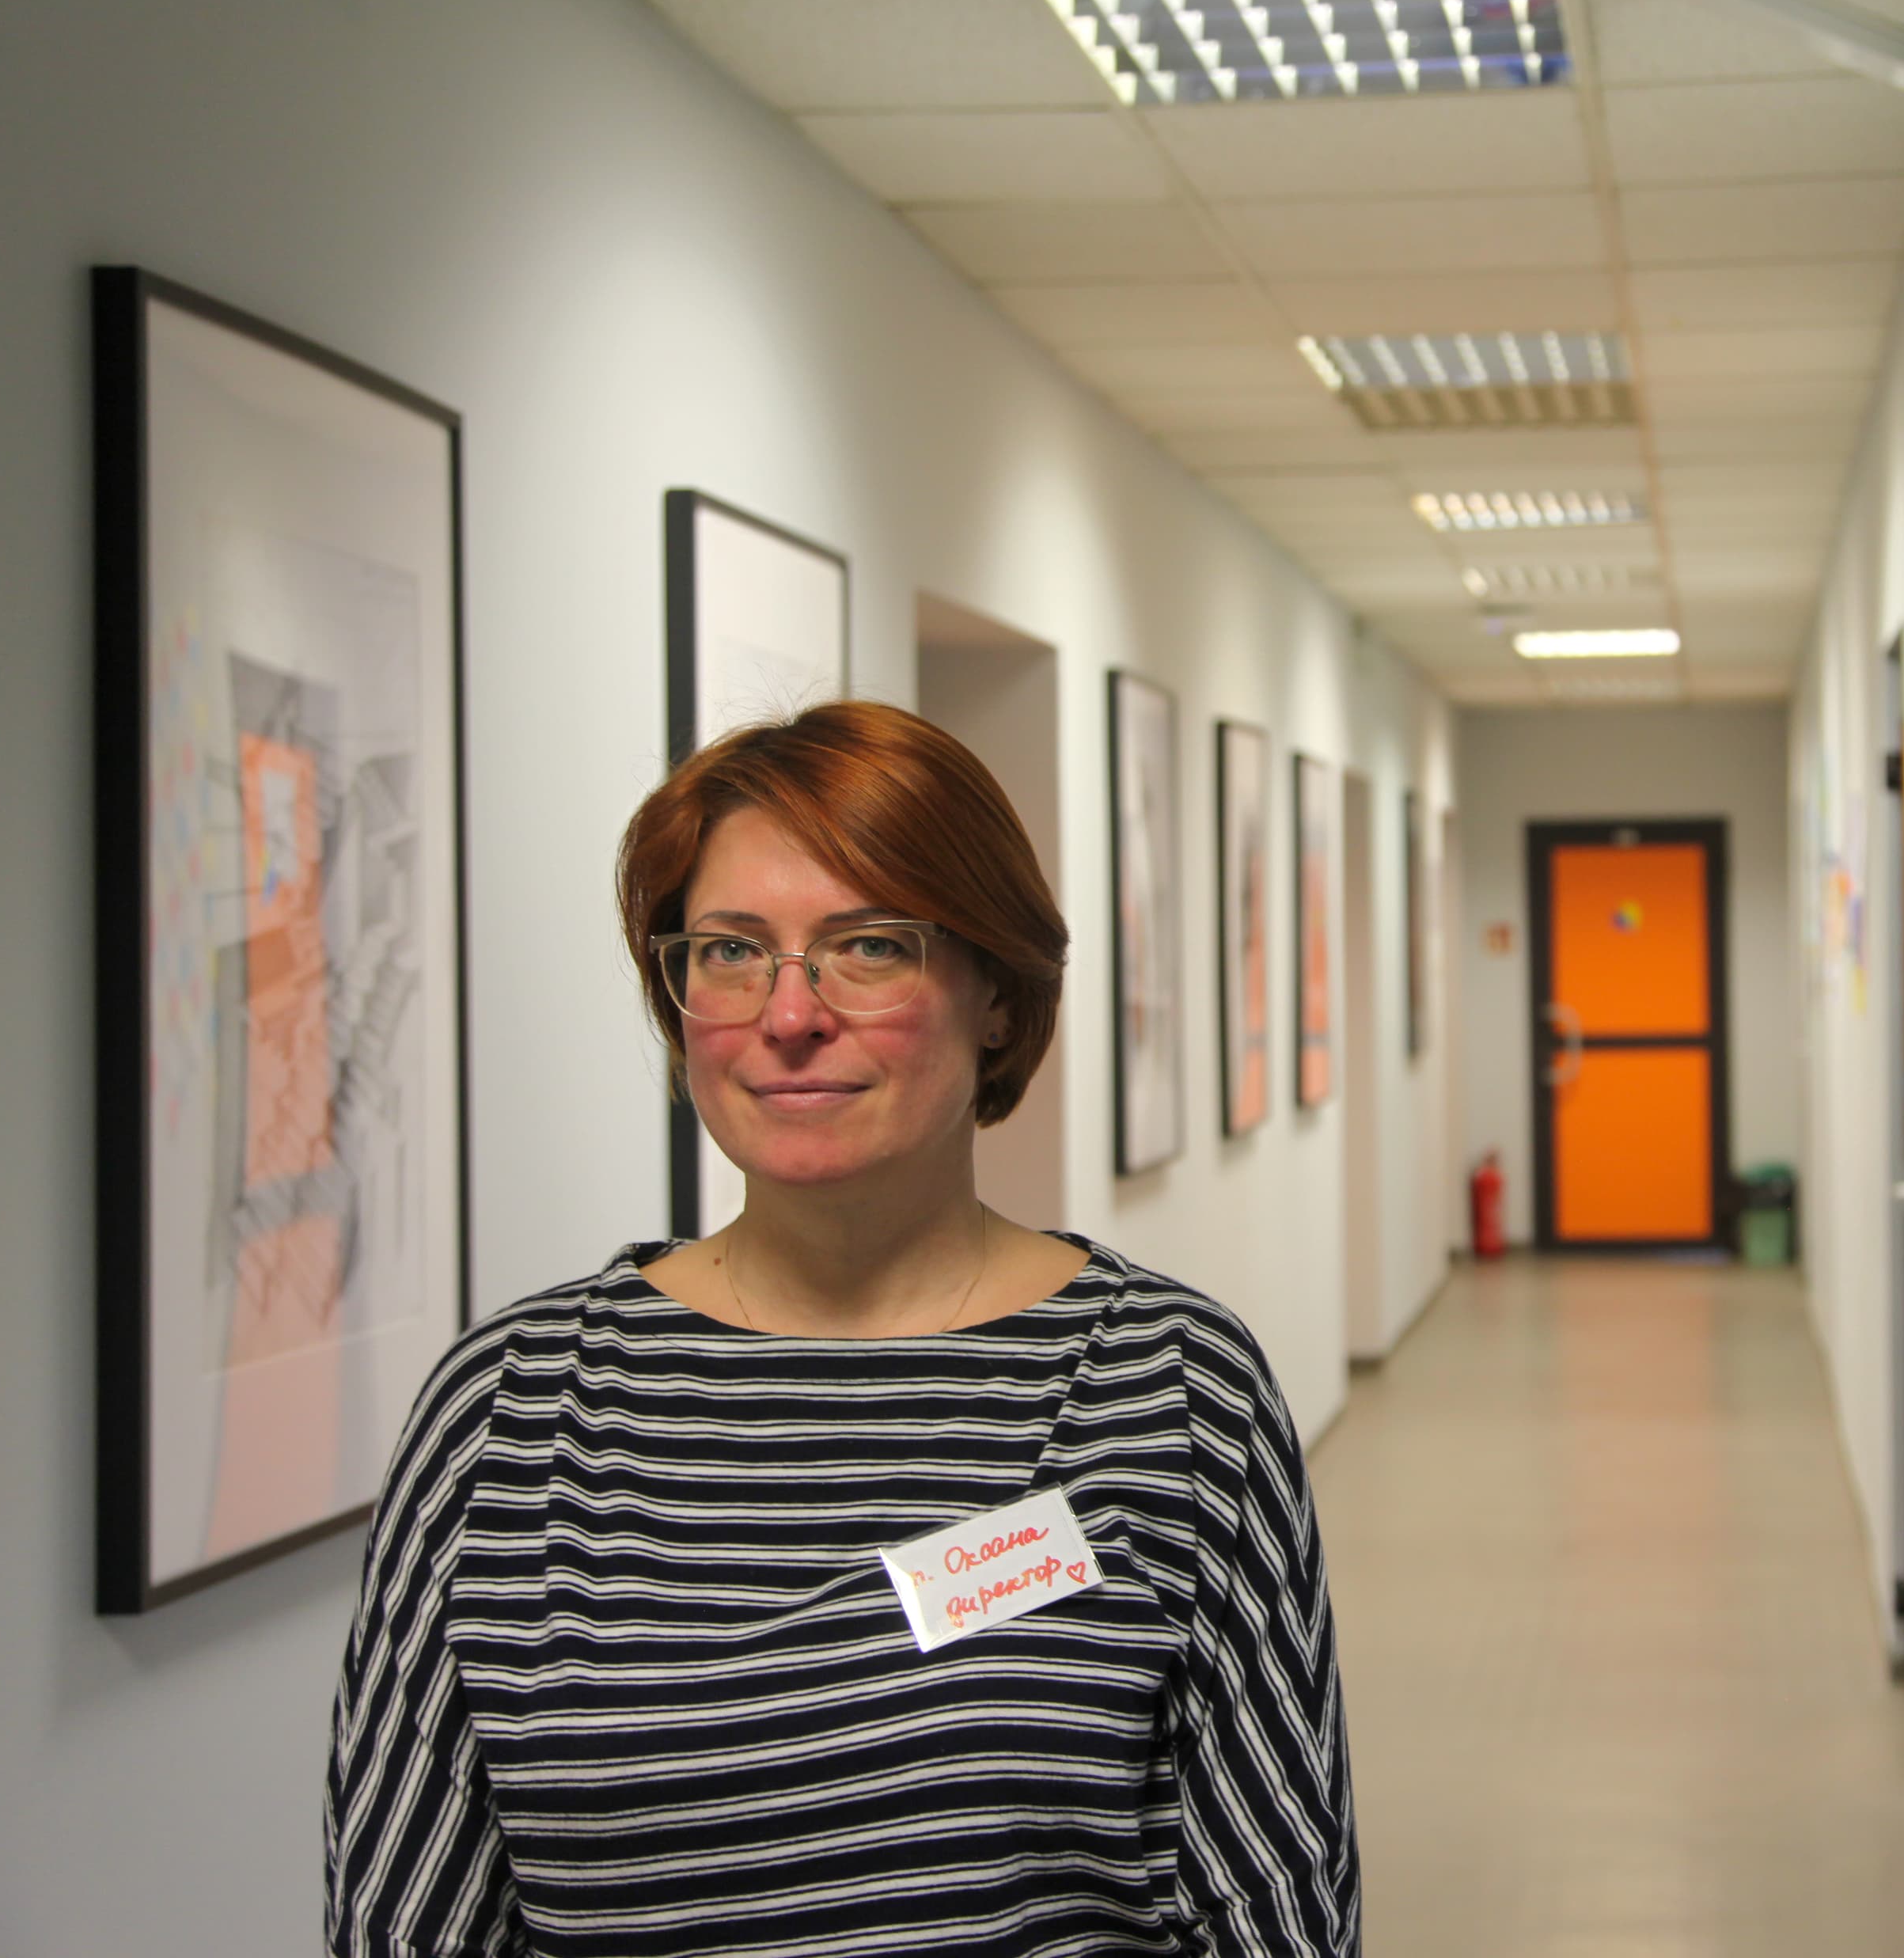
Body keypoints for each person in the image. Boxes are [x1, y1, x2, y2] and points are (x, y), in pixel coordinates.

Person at [326, 700, 1359, 1956]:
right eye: (730, 951)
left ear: (995, 993)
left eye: (867, 947)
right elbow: (400, 1918)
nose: (791, 1013)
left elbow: (1278, 1913)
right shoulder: (513, 1412)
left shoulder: (1172, 1391)